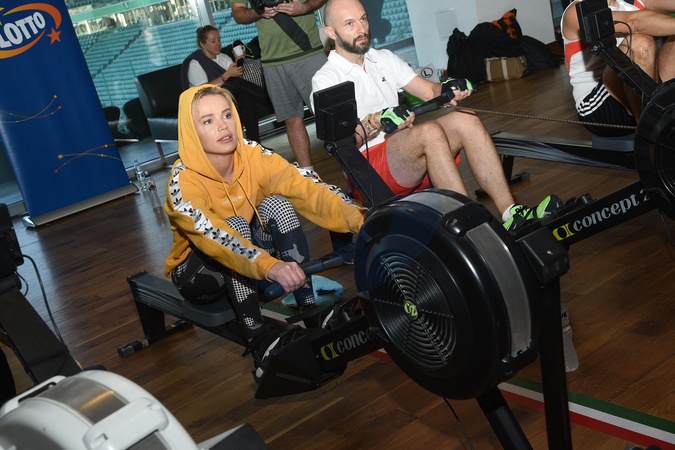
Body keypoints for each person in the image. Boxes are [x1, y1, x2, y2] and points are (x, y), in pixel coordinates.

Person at [163, 84, 364, 380]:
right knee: (234, 225)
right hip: (199, 276)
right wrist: (270, 265)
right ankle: (257, 339)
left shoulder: (252, 155)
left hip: (251, 263)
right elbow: (215, 236)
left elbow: (306, 187)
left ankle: (312, 312)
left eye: (227, 115)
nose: (223, 126)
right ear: (192, 131)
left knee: (278, 205)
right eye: (208, 121)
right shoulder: (183, 182)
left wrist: (361, 218)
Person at [311, 0, 560, 232]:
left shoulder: (383, 59)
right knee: (429, 131)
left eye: (363, 19)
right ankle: (473, 230)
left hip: (407, 151)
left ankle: (510, 213)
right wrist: (376, 120)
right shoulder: (325, 79)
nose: (361, 28)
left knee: (466, 118)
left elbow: (430, 90)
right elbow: (344, 142)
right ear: (331, 32)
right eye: (350, 23)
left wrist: (449, 87)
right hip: (369, 169)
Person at [231, 0, 328, 171]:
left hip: (309, 52)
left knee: (330, 113)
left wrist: (304, 7)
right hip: (272, 61)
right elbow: (238, 13)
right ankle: (309, 177)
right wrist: (258, 12)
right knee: (291, 120)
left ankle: (355, 171)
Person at [561, 0, 675, 137]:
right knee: (640, 42)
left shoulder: (632, 2)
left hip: (638, 91)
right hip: (599, 108)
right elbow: (633, 22)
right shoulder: (577, 10)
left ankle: (665, 114)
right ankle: (651, 135)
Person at [181, 25, 272, 143]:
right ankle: (271, 101)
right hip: (205, 101)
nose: (218, 44)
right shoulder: (195, 62)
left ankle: (254, 145)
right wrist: (226, 75)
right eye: (213, 41)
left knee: (245, 97)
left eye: (219, 40)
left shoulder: (223, 57)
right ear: (202, 44)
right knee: (233, 82)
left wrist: (239, 61)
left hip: (226, 97)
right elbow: (203, 90)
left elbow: (239, 81)